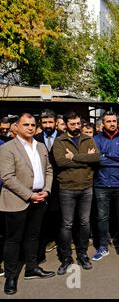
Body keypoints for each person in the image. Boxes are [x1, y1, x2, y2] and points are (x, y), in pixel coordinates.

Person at [0, 113, 55, 295]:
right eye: (26, 124)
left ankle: (32, 268)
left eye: (32, 124)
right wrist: (29, 195)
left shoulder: (40, 147)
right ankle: (11, 276)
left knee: (33, 236)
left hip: (40, 198)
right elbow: (7, 177)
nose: (30, 127)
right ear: (17, 127)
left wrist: (46, 190)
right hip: (17, 200)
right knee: (13, 240)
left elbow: (48, 170)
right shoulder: (8, 148)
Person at [52, 111, 100, 275]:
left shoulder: (88, 138)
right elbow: (61, 162)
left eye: (78, 123)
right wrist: (85, 159)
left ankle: (82, 254)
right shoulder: (60, 141)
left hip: (86, 186)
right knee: (67, 224)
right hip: (67, 188)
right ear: (65, 124)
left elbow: (96, 158)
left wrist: (75, 158)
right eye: (72, 124)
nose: (76, 126)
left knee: (85, 223)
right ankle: (66, 258)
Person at [92, 111, 119, 262]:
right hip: (101, 184)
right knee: (102, 217)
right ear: (103, 124)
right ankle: (102, 246)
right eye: (108, 121)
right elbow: (97, 160)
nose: (112, 123)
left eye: (114, 121)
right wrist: (115, 156)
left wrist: (105, 155)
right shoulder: (95, 139)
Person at [34, 109, 62, 263]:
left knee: (59, 217)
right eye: (44, 122)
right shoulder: (36, 139)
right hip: (42, 184)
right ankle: (40, 253)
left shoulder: (63, 138)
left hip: (61, 184)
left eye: (50, 122)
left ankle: (62, 250)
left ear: (56, 122)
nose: (48, 125)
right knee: (42, 219)